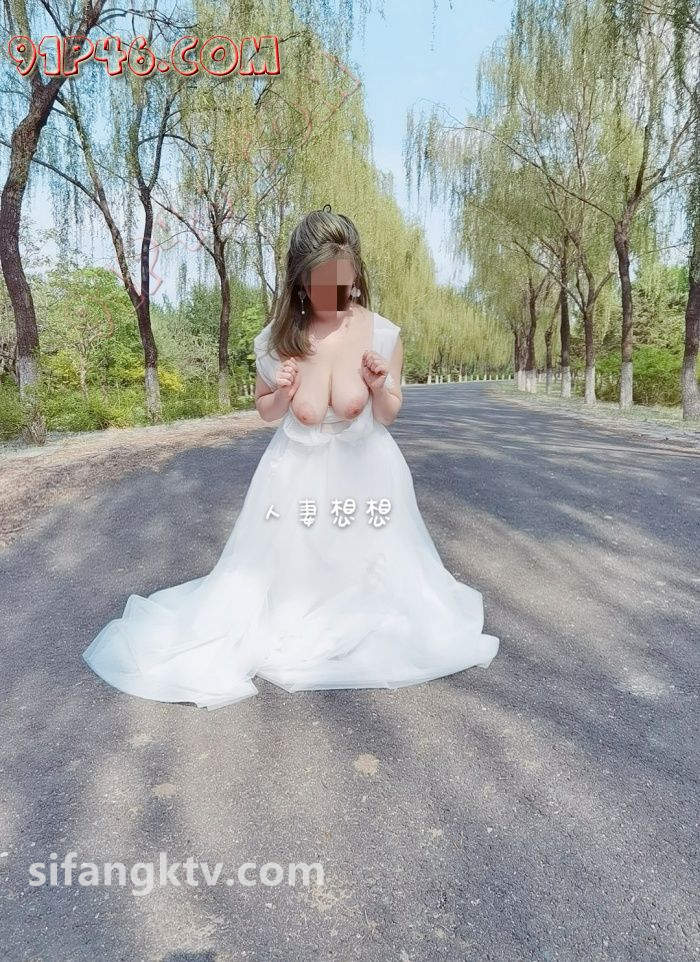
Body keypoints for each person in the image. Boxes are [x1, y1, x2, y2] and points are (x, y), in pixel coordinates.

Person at [82, 207, 500, 709]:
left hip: (367, 474)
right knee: (282, 586)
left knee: (378, 584)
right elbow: (266, 412)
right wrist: (280, 391)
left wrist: (378, 385)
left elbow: (389, 415)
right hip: (294, 475)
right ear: (301, 282)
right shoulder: (276, 340)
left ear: (356, 276)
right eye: (321, 284)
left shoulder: (382, 335)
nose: (334, 295)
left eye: (343, 283)